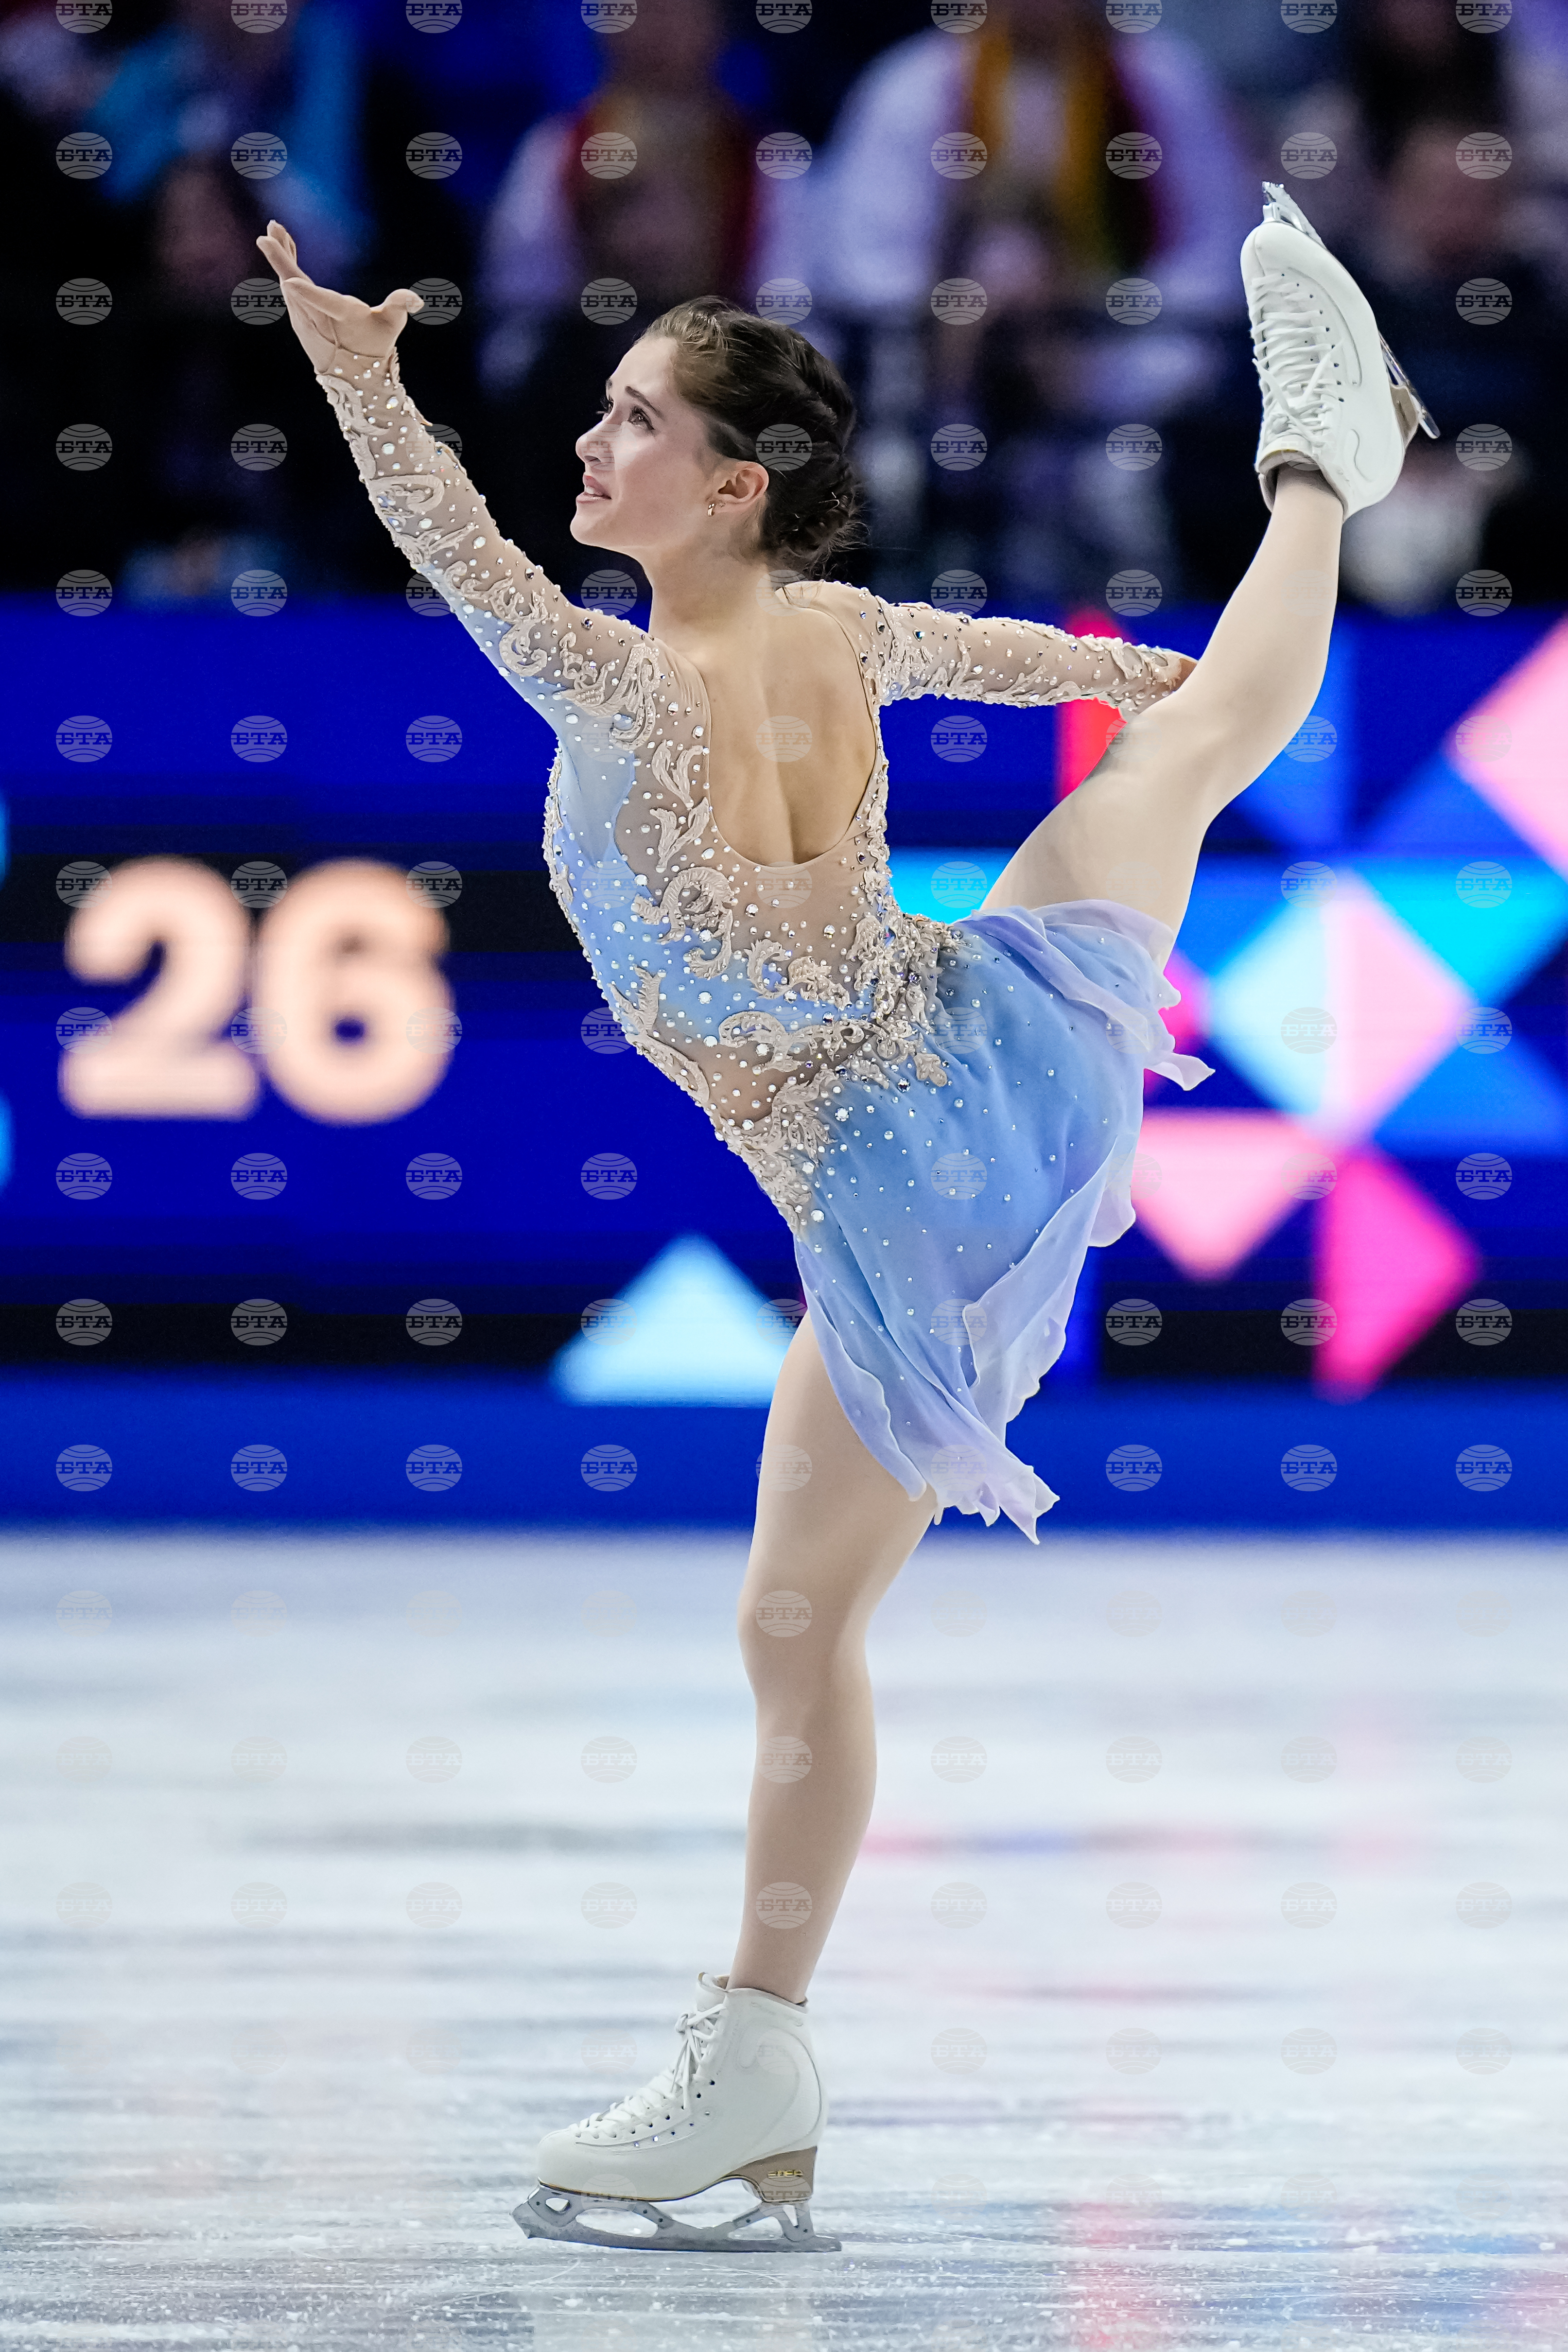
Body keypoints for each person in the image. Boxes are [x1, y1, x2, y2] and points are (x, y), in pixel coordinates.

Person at [256, 181, 1429, 2251]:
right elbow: (1068, 668)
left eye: (633, 422)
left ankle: (757, 2053)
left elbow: (456, 557)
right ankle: (1328, 456)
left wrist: (366, 390)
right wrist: (1146, 673)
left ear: (730, 486)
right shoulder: (843, 634)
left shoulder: (614, 687)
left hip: (893, 1172)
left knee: (797, 1632)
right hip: (991, 1040)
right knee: (1203, 745)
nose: (596, 448)